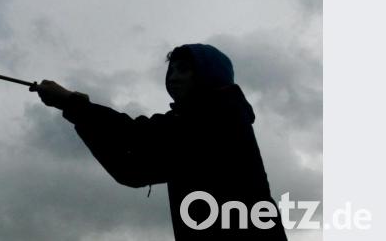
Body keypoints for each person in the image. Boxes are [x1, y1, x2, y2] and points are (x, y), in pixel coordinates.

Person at [31, 43, 288, 240]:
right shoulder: (189, 128)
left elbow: (137, 134)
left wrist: (72, 103)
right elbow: (129, 171)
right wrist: (79, 116)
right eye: (171, 70)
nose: (173, 77)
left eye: (184, 69)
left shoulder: (221, 114)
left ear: (211, 75)